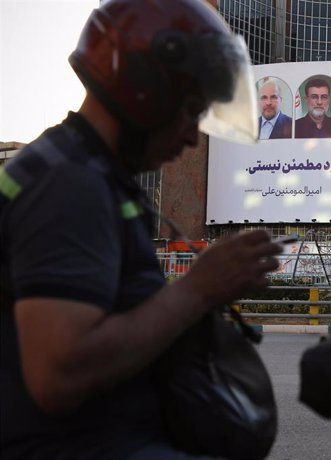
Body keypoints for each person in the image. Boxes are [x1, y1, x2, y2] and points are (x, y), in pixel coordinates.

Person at [0, 1, 283, 459]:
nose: (193, 136)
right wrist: (199, 289)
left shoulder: (88, 171)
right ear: (144, 90)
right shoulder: (72, 184)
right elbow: (59, 374)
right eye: (191, 111)